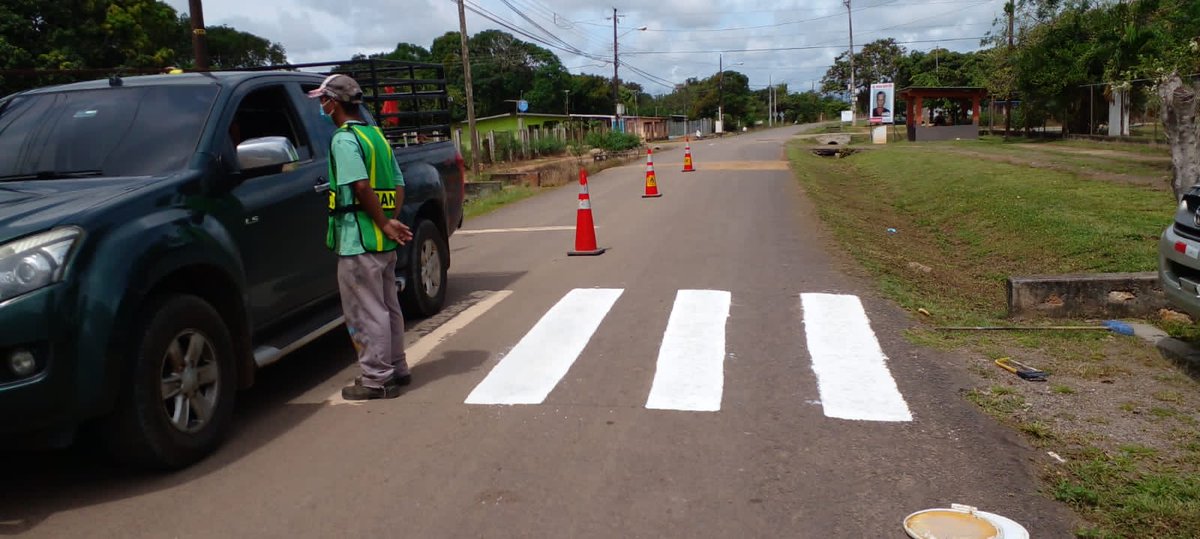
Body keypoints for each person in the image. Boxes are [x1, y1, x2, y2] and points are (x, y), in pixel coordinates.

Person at [308, 74, 415, 400]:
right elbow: (398, 183)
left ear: (334, 103)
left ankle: (376, 379)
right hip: (382, 242)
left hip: (358, 239)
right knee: (388, 306)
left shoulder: (345, 140)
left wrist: (382, 223)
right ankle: (397, 367)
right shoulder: (376, 136)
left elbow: (360, 186)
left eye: (324, 100)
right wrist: (390, 222)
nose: (322, 106)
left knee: (366, 311)